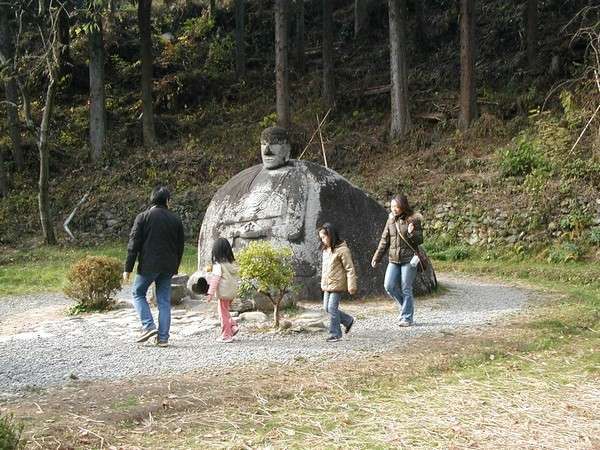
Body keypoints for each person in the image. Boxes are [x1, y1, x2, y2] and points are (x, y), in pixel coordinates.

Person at [123, 186, 185, 347]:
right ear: (167, 201)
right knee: (164, 301)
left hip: (149, 265)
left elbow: (133, 244)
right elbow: (180, 247)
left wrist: (127, 268)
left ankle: (148, 325)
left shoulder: (143, 217)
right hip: (168, 267)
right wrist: (175, 266)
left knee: (137, 293)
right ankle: (163, 338)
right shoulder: (176, 220)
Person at [371, 194, 423, 327]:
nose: (394, 209)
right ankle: (406, 308)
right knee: (389, 286)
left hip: (409, 259)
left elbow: (420, 240)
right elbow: (384, 240)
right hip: (393, 259)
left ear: (403, 206)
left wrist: (411, 233)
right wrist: (377, 257)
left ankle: (407, 317)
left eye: (396, 206)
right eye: (392, 206)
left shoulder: (413, 219)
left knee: (406, 288)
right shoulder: (390, 220)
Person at [318, 223, 357, 342]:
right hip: (327, 284)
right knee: (327, 308)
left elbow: (349, 268)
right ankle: (348, 320)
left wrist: (351, 285)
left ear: (331, 235)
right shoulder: (326, 250)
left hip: (337, 284)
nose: (323, 240)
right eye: (321, 238)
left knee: (331, 308)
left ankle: (335, 334)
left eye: (324, 237)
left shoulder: (342, 250)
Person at [206, 238, 240, 343]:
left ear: (216, 251)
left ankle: (226, 335)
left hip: (224, 293)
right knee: (225, 311)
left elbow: (215, 280)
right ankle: (233, 327)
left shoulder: (218, 265)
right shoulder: (232, 264)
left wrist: (210, 293)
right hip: (232, 292)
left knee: (222, 313)